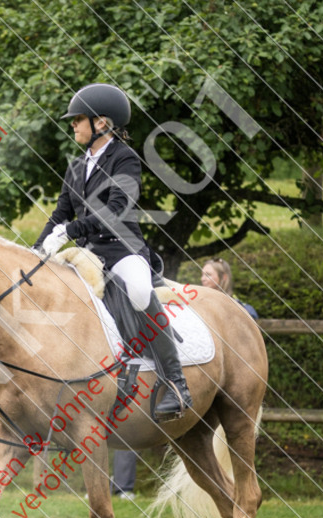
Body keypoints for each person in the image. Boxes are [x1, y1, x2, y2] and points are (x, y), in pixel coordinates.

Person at [35, 83, 191, 422]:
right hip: (88, 256)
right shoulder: (76, 166)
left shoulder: (125, 158)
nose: (73, 125)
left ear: (101, 123)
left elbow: (118, 208)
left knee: (137, 291)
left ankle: (176, 383)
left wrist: (71, 231)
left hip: (123, 250)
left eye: (78, 119)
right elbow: (61, 213)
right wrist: (36, 249)